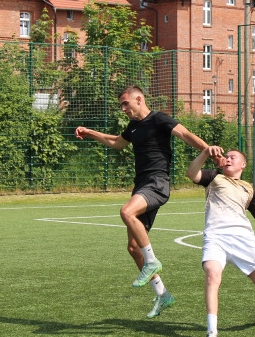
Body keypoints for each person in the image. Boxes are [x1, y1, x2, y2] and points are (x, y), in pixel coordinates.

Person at [75, 86, 210, 318]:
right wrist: (90, 133)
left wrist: (209, 150)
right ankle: (162, 294)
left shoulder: (159, 119)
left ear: (139, 99)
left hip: (157, 183)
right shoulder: (133, 126)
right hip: (141, 185)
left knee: (126, 212)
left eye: (125, 103)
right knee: (133, 248)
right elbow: (117, 143)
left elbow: (186, 135)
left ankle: (152, 261)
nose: (123, 108)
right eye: (121, 105)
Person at [186, 146, 255, 337]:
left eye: (233, 157)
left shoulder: (248, 189)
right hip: (216, 237)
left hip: (243, 241)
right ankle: (212, 331)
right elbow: (192, 174)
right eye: (227, 157)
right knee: (212, 274)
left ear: (243, 164)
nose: (229, 159)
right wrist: (205, 153)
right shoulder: (214, 177)